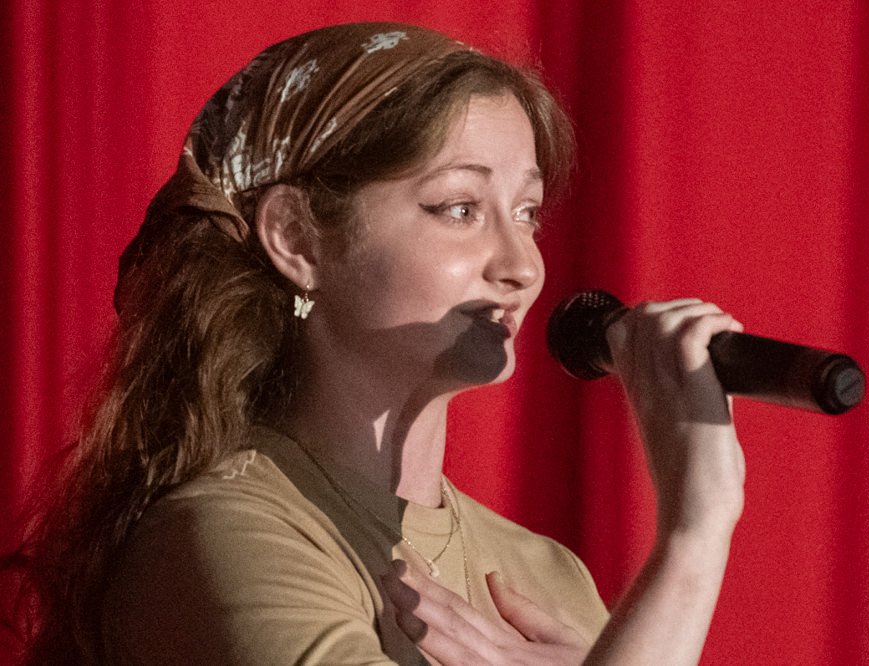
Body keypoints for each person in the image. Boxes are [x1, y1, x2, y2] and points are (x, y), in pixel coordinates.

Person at [5, 22, 745, 664]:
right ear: (297, 238)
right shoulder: (219, 537)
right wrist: (695, 532)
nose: (523, 266)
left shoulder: (547, 574)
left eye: (526, 213)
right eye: (459, 208)